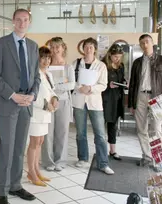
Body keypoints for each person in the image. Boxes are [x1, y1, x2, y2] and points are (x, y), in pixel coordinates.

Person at [0, 8, 40, 204]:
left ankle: (15, 185)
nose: (21, 23)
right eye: (18, 20)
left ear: (29, 22)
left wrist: (32, 95)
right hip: (8, 103)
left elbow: (36, 76)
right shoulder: (1, 44)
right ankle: (2, 192)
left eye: (25, 20)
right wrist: (13, 95)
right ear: (13, 21)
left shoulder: (33, 46)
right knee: (7, 148)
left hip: (26, 105)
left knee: (20, 148)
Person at [72, 37, 114, 175]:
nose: (88, 49)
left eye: (91, 47)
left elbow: (103, 84)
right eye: (86, 46)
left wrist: (90, 89)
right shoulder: (76, 63)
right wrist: (80, 88)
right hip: (79, 101)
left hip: (95, 103)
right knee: (80, 133)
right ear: (83, 49)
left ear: (95, 49)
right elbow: (71, 80)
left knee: (100, 134)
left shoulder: (101, 66)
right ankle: (83, 158)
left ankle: (103, 163)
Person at [128, 34, 162, 166]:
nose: (145, 45)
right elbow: (133, 84)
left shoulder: (160, 60)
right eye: (142, 43)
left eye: (147, 42)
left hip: (156, 97)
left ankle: (157, 160)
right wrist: (131, 103)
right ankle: (147, 157)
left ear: (152, 43)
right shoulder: (137, 62)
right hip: (140, 97)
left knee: (156, 129)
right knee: (141, 129)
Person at [42, 37, 75, 171]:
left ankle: (60, 161)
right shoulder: (46, 65)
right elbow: (43, 84)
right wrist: (60, 85)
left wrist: (54, 87)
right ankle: (48, 161)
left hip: (64, 102)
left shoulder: (68, 67)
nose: (55, 50)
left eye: (57, 47)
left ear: (63, 48)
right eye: (52, 47)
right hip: (48, 102)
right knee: (47, 133)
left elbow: (71, 84)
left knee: (62, 131)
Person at [27, 46, 58, 186]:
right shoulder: (33, 74)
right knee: (34, 143)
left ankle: (36, 170)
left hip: (45, 114)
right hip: (36, 113)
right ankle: (31, 173)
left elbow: (51, 91)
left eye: (48, 58)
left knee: (39, 142)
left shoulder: (48, 74)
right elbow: (32, 96)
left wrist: (55, 99)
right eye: (43, 57)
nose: (46, 60)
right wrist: (46, 105)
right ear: (38, 58)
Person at [101, 44, 126, 160]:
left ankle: (113, 150)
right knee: (101, 127)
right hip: (104, 99)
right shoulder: (103, 65)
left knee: (113, 126)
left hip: (116, 99)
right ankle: (101, 152)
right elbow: (97, 82)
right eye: (115, 56)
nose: (117, 59)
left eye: (119, 57)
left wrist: (125, 83)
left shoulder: (121, 66)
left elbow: (121, 79)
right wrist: (107, 85)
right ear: (110, 55)